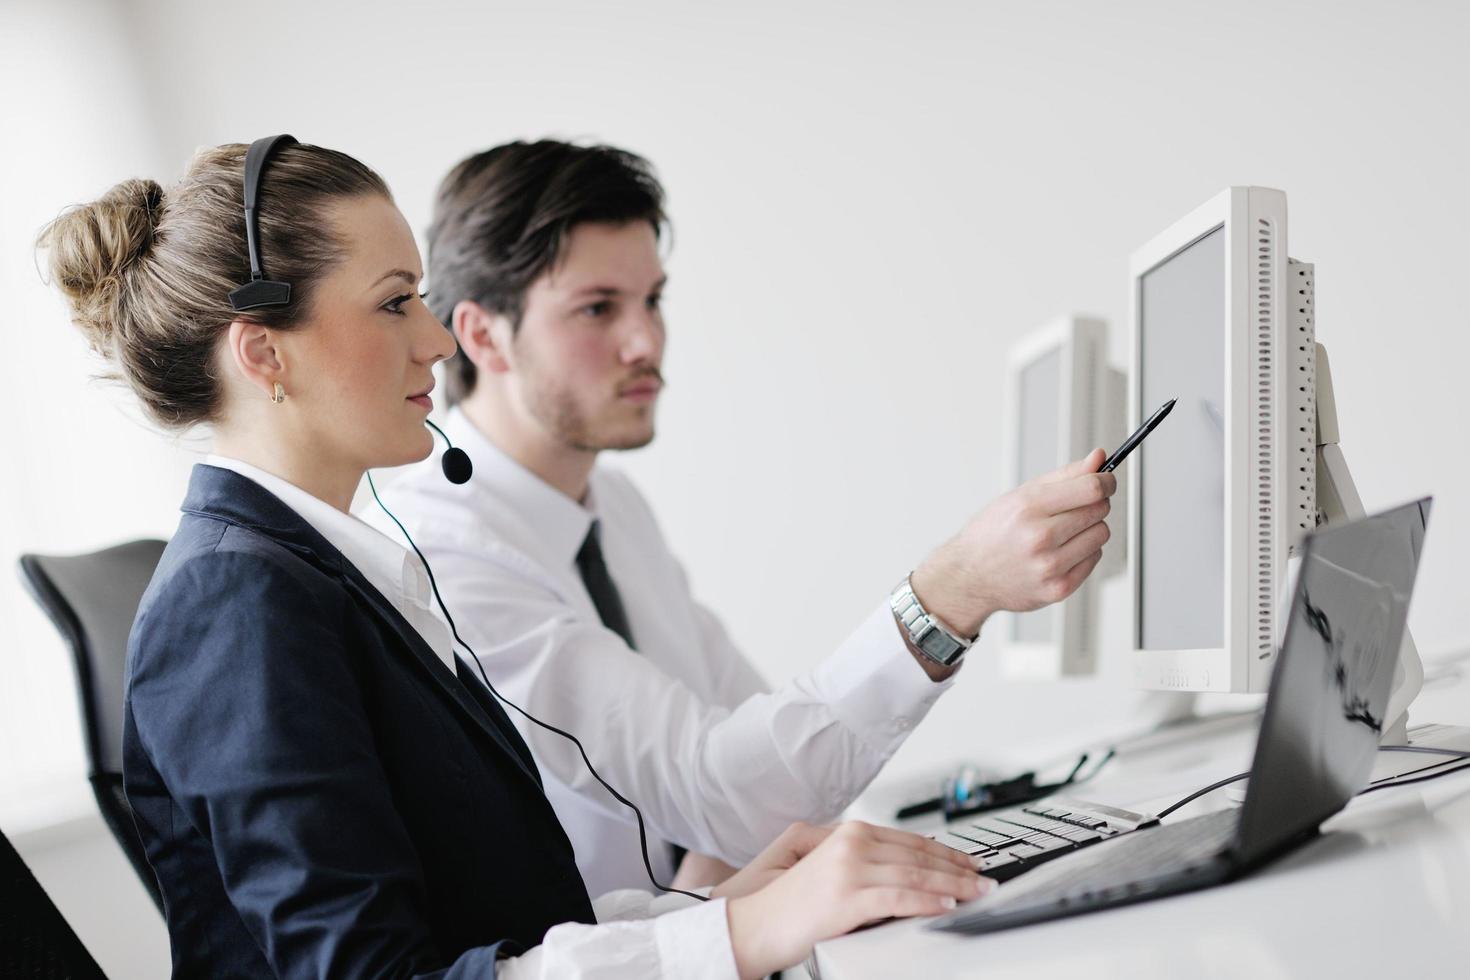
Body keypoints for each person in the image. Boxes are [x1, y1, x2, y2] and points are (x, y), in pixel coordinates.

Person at [38, 137, 988, 979]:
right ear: (265, 356)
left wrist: (717, 915)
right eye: (396, 303)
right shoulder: (236, 603)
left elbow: (495, 931)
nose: (436, 338)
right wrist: (740, 937)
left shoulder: (333, 573)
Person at [369, 140, 1118, 895]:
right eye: (598, 309)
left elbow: (764, 769)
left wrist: (726, 840)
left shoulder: (613, 509)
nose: (647, 342)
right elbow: (728, 793)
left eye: (652, 300)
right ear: (482, 335)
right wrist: (949, 594)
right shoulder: (441, 553)